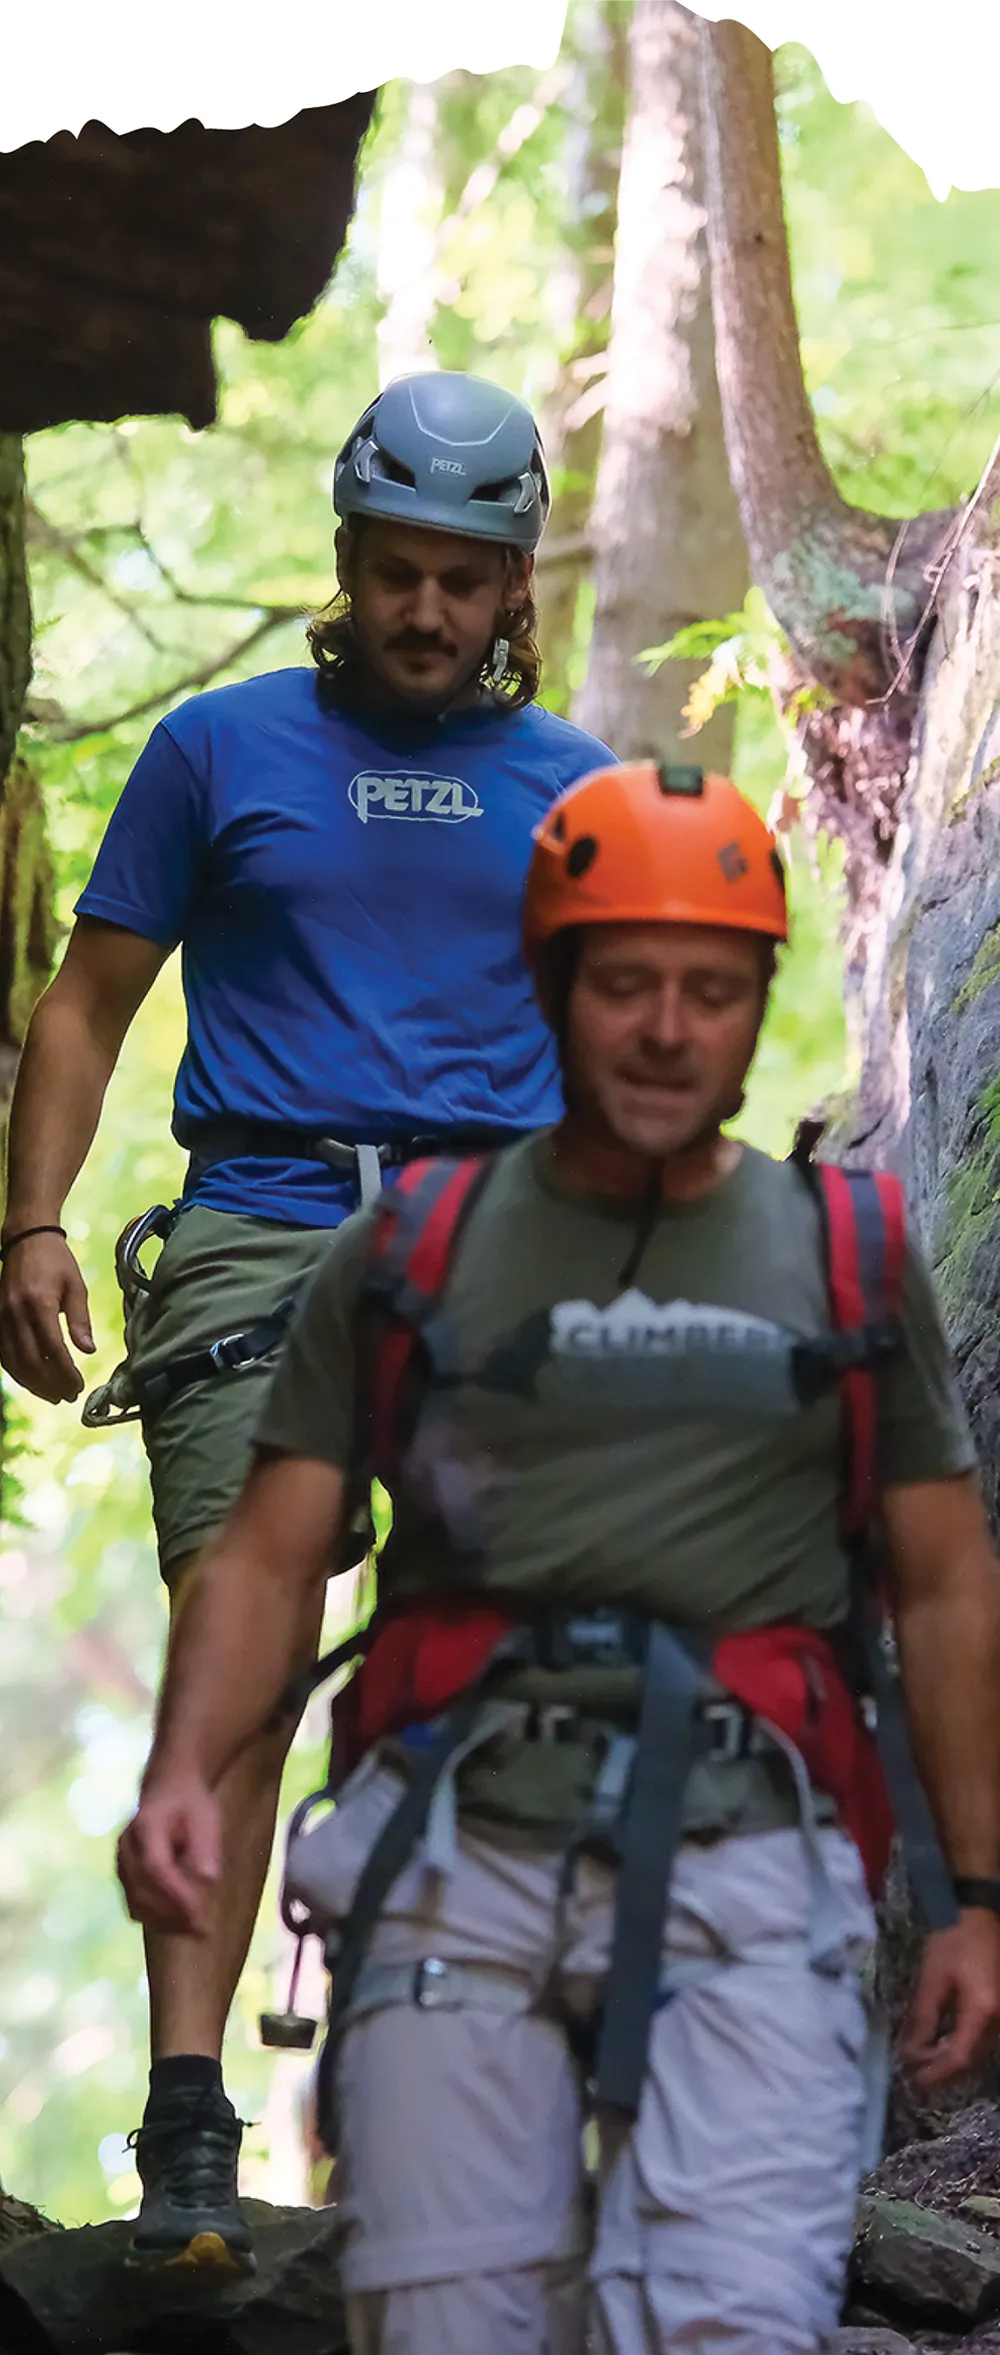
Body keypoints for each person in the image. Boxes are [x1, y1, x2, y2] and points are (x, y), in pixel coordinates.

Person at [118, 758, 1000, 2353]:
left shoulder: (850, 1255)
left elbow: (945, 1588)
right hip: (458, 1852)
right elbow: (264, 1552)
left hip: (756, 1860)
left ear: (753, 1007)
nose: (670, 1027)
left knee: (730, 2325)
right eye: (629, 983)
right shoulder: (411, 1251)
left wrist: (977, 1897)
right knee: (450, 2328)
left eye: (714, 990)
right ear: (553, 984)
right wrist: (187, 1765)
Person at [0, 368, 616, 2281]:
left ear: (514, 586)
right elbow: (92, 1004)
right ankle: (192, 2127)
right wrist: (31, 1215)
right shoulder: (217, 751)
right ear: (343, 565)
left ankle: (497, 2104)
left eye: (463, 576)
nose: (426, 609)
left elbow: (639, 1046)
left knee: (518, 1675)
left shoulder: (582, 789)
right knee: (232, 1658)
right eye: (394, 570)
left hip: (503, 1239)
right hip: (266, 1225)